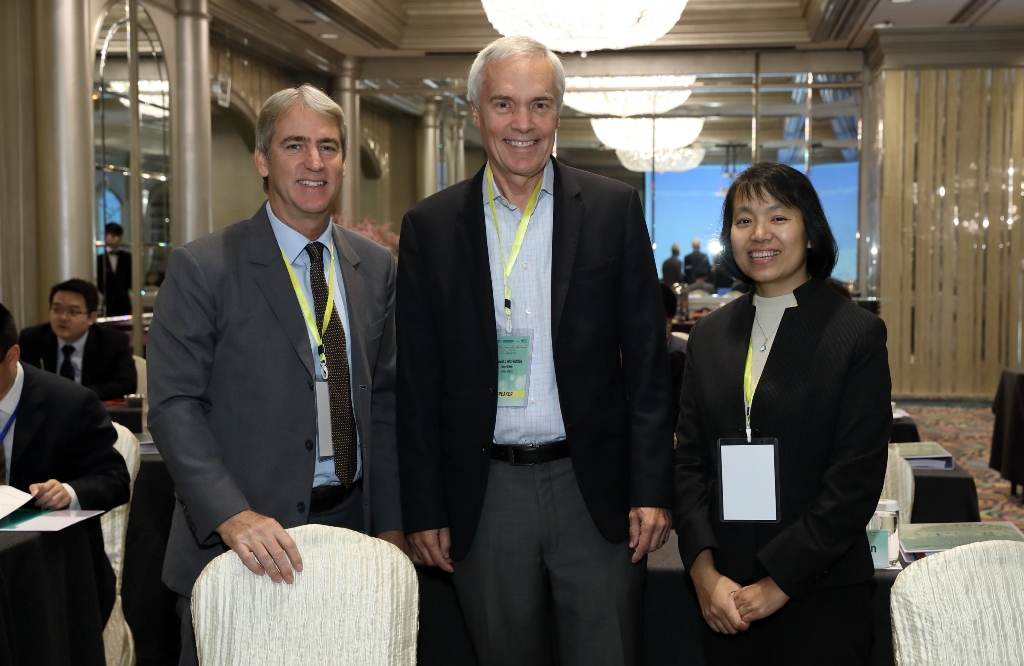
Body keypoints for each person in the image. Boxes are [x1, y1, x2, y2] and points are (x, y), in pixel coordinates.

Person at [397, 36, 673, 666]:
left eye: (539, 105)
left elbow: (649, 370)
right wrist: (425, 506)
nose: (522, 124)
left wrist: (652, 487)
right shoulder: (430, 227)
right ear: (474, 111)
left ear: (557, 114)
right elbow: (416, 383)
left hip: (594, 487)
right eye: (503, 104)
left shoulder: (612, 209)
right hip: (484, 493)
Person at [146, 84, 406, 666]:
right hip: (244, 544)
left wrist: (390, 526)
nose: (315, 162)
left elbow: (386, 402)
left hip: (352, 534)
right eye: (295, 145)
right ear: (262, 159)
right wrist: (230, 514)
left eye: (329, 147)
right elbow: (173, 405)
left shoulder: (376, 266)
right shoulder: (204, 266)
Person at [673, 162, 891, 665]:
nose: (760, 234)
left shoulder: (854, 334)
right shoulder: (709, 336)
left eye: (779, 217)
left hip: (821, 590)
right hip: (724, 594)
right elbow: (689, 466)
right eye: (744, 220)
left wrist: (777, 585)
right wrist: (705, 577)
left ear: (810, 229)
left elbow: (853, 483)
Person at [0, 303, 130, 512]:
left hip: (43, 540)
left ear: (12, 357)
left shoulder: (70, 403)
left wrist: (68, 492)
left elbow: (115, 480)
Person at [19, 279, 137, 401]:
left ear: (91, 317)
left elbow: (127, 385)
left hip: (90, 412)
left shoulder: (113, 342)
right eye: (57, 310)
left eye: (73, 312)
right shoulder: (31, 339)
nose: (63, 317)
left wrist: (78, 394)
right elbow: (19, 381)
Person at [97, 222, 133, 317]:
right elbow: (99, 282)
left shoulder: (128, 257)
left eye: (119, 236)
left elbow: (131, 280)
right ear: (106, 236)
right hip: (108, 303)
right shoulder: (99, 259)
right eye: (113, 235)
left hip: (125, 303)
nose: (116, 239)